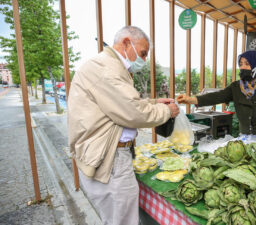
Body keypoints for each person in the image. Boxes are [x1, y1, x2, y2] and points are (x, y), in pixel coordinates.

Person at [67, 26, 179, 225]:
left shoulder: (106, 66)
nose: (143, 60)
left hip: (106, 156)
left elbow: (119, 105)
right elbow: (132, 112)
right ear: (127, 42)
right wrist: (167, 112)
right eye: (143, 53)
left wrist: (153, 103)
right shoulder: (106, 69)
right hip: (111, 159)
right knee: (123, 220)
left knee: (114, 218)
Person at [177, 50, 256, 138]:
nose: (243, 67)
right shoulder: (236, 87)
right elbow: (217, 96)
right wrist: (191, 99)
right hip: (246, 138)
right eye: (241, 64)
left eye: (247, 64)